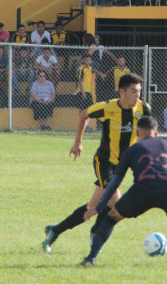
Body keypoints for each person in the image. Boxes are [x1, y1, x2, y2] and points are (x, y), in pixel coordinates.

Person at [80, 115, 167, 266]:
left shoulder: (132, 150)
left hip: (141, 192)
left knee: (112, 217)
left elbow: (115, 181)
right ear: (156, 133)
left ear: (137, 133)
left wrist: (98, 207)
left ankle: (91, 258)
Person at [42, 73, 151, 253]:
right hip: (104, 162)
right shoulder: (108, 108)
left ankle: (55, 230)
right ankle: (96, 233)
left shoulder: (143, 109)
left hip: (122, 166)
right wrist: (78, 142)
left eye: (139, 91)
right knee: (118, 204)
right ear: (122, 92)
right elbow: (84, 115)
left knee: (92, 208)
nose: (137, 95)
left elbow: (150, 131)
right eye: (133, 92)